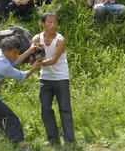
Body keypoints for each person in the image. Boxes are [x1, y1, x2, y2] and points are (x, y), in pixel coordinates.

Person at [32, 12, 75, 148]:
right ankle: (53, 139)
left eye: (54, 22)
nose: (52, 25)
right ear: (42, 23)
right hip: (45, 79)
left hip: (61, 78)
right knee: (45, 108)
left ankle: (69, 140)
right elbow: (35, 57)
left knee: (65, 109)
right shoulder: (37, 39)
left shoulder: (60, 40)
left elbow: (54, 60)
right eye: (49, 22)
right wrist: (34, 59)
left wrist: (39, 64)